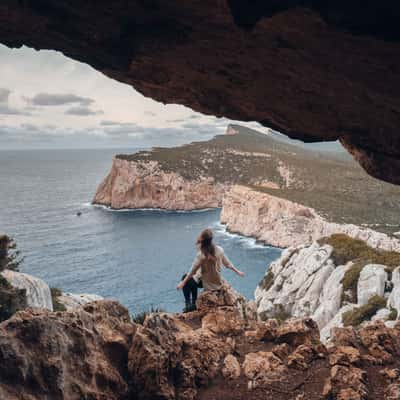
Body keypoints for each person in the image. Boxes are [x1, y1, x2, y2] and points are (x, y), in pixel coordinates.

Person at [177, 229, 245, 303]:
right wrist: (238, 272)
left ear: (203, 240)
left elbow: (192, 271)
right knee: (192, 279)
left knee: (186, 278)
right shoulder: (220, 250)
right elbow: (227, 264)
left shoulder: (201, 255)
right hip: (216, 282)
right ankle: (193, 302)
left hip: (206, 284)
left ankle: (190, 303)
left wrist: (183, 283)